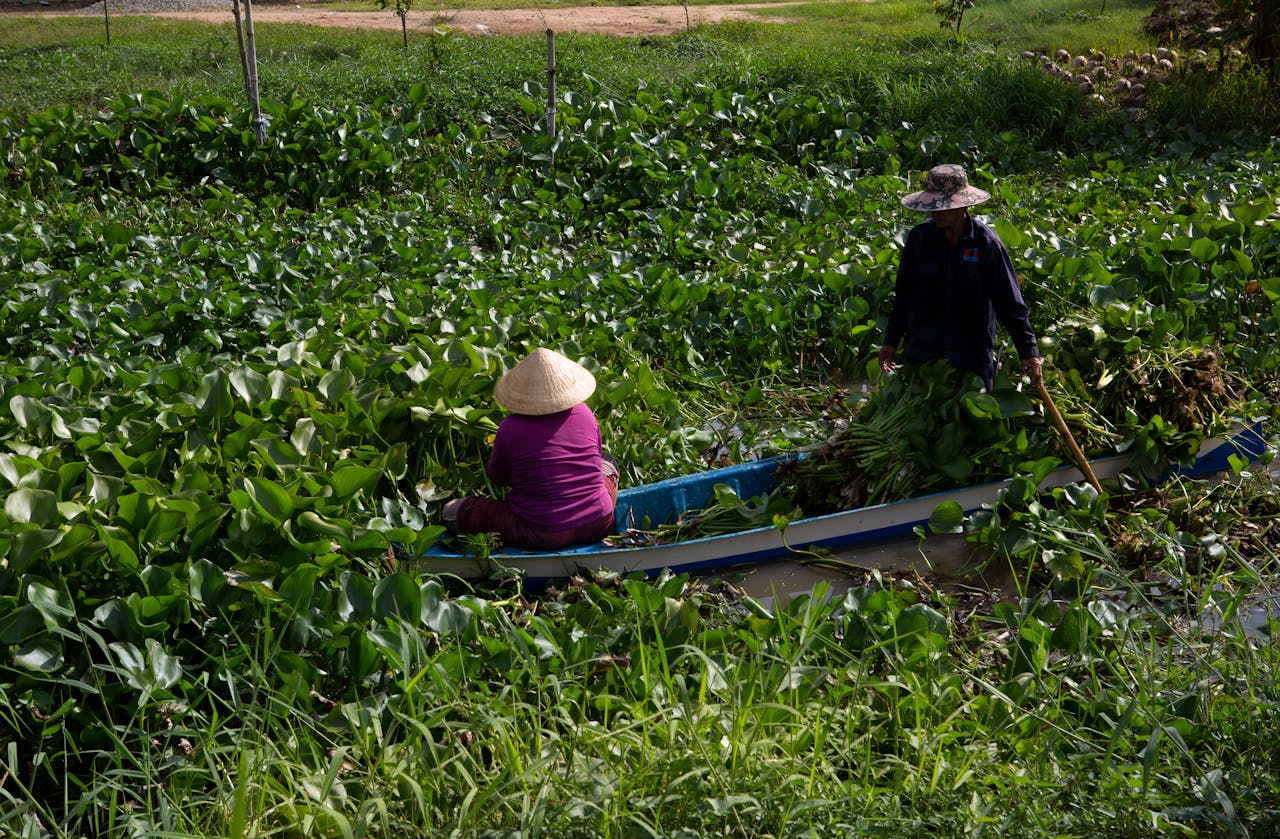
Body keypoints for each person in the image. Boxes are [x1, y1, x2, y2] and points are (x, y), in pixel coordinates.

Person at [878, 164, 1043, 390]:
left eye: (943, 207)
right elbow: (904, 296)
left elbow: (1010, 303)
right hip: (924, 353)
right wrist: (891, 341)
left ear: (962, 206)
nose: (936, 212)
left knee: (975, 414)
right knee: (923, 414)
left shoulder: (986, 243)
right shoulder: (919, 240)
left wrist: (1029, 352)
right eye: (932, 206)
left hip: (971, 355)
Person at [442, 347, 619, 551]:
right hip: (598, 523)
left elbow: (498, 478)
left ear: (522, 395)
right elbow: (595, 460)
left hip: (542, 531)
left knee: (453, 512)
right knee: (608, 464)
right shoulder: (585, 413)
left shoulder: (509, 427)